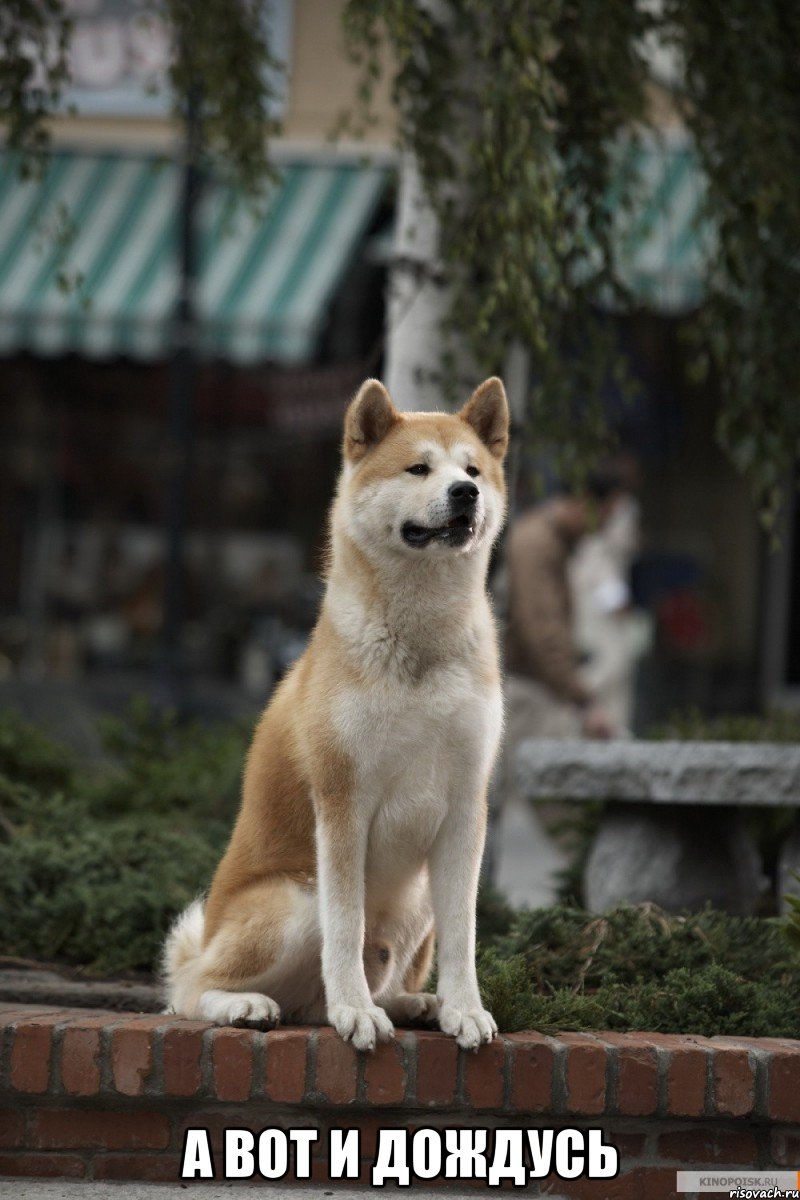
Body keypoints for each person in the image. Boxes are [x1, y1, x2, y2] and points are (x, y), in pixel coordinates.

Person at [504, 470, 627, 743]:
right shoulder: (538, 544)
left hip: (537, 687)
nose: (605, 527)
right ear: (586, 502)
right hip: (527, 691)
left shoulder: (551, 541)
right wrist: (583, 701)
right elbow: (542, 630)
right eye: (606, 515)